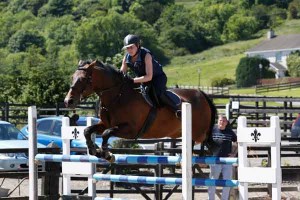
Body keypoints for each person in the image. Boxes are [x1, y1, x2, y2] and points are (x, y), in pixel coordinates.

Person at [120, 34, 181, 118]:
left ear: (138, 45)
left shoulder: (146, 55)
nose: (129, 50)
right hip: (142, 80)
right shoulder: (126, 58)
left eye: (131, 47)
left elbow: (149, 77)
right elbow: (121, 73)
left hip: (157, 78)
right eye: (127, 48)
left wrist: (132, 80)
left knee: (158, 93)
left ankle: (177, 110)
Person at [208, 115, 237, 200]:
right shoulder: (212, 130)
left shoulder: (230, 132)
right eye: (220, 120)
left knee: (227, 182)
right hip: (215, 160)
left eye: (224, 121)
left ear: (227, 123)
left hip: (227, 161)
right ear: (218, 121)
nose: (222, 122)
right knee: (212, 181)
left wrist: (234, 153)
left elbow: (237, 142)